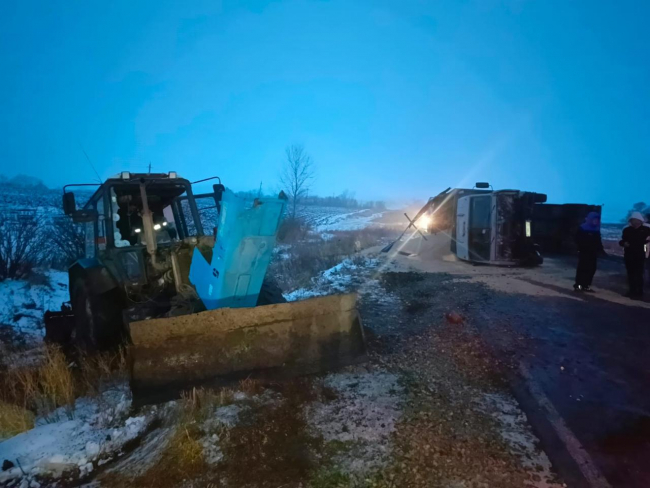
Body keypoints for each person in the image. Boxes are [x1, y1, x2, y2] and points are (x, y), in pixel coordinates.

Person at [619, 211, 650, 300]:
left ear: (640, 221)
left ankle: (639, 291)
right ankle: (631, 291)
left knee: (639, 273)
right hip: (629, 255)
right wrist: (624, 243)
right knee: (630, 274)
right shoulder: (627, 230)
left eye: (636, 220)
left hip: (641, 254)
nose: (635, 222)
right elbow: (621, 241)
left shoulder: (646, 230)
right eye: (633, 220)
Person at [574, 211, 604, 292]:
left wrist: (601, 250)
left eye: (597, 220)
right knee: (582, 269)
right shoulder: (582, 228)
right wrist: (581, 248)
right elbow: (578, 240)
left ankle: (586, 285)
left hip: (593, 253)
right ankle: (579, 285)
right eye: (594, 219)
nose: (596, 221)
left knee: (591, 269)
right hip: (584, 252)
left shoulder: (596, 230)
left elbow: (598, 241)